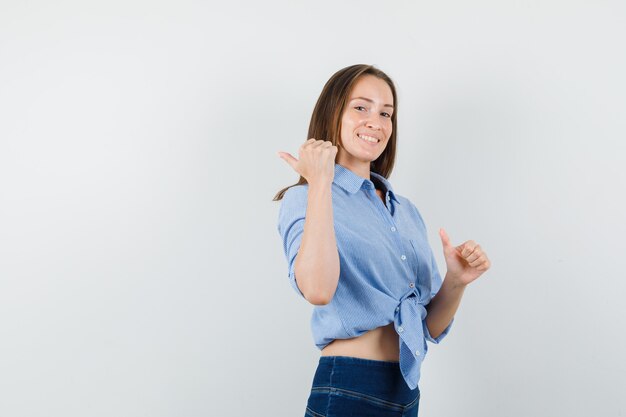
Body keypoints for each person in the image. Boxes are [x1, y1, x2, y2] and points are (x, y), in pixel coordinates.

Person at [274, 64, 491, 417]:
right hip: (349, 386)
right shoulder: (306, 198)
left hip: (405, 388)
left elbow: (427, 327)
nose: (376, 121)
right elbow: (316, 289)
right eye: (361, 107)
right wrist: (320, 183)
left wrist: (456, 281)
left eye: (386, 113)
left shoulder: (405, 211)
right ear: (333, 113)